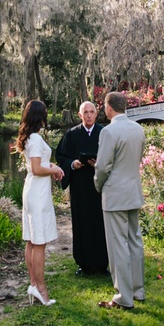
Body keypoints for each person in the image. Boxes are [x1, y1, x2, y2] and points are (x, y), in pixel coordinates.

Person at [94, 91, 146, 311]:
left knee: (118, 246)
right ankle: (137, 290)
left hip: (115, 194)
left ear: (109, 108)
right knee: (135, 241)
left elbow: (103, 166)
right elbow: (138, 158)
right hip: (133, 191)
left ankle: (124, 297)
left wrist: (98, 184)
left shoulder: (109, 131)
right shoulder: (139, 129)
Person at [15, 99, 64, 306]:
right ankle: (40, 288)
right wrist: (54, 169)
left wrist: (51, 166)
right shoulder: (35, 139)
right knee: (39, 243)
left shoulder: (31, 138)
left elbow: (38, 164)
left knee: (31, 240)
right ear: (39, 116)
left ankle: (34, 285)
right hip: (37, 193)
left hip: (34, 189)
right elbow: (36, 168)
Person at [55, 101, 109, 276]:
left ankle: (102, 264)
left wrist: (98, 165)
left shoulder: (104, 133)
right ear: (79, 115)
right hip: (79, 186)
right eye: (85, 112)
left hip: (100, 186)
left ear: (97, 113)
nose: (89, 115)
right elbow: (60, 157)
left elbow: (112, 159)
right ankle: (84, 264)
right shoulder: (71, 135)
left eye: (92, 112)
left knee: (102, 223)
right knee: (82, 222)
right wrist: (72, 164)